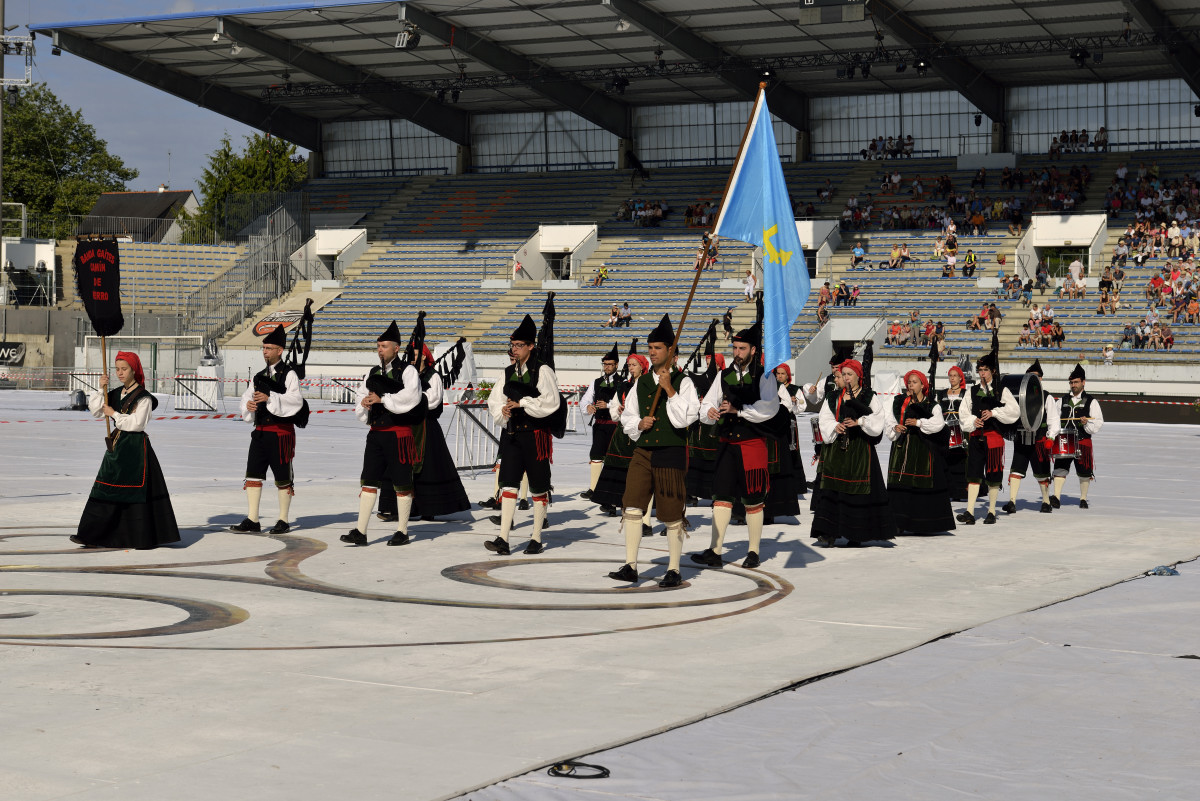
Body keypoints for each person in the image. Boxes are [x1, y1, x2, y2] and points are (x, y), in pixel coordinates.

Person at [608, 315, 700, 587]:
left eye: (658, 348)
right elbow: (628, 416)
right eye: (650, 348)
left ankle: (674, 569)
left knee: (671, 513)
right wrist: (639, 423)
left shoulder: (684, 382)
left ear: (671, 351)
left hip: (671, 452)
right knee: (632, 505)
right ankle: (630, 565)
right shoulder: (641, 382)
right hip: (643, 451)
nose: (652, 352)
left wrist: (669, 389)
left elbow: (686, 419)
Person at [690, 322, 779, 570]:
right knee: (721, 496)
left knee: (753, 498)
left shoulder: (764, 376)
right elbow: (707, 404)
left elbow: (769, 408)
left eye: (742, 348)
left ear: (753, 350)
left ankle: (753, 552)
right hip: (726, 444)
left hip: (752, 444)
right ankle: (715, 551)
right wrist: (709, 412)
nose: (737, 353)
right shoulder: (724, 375)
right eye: (735, 348)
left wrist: (739, 410)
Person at [73, 351, 181, 549]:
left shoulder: (143, 397)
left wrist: (114, 414)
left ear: (134, 370)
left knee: (134, 492)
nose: (120, 373)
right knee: (105, 488)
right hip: (116, 448)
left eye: (124, 369)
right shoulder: (115, 393)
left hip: (135, 450)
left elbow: (137, 424)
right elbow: (96, 411)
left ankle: (138, 537)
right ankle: (91, 534)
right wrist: (101, 389)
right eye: (117, 369)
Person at [341, 321, 426, 548]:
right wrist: (364, 402)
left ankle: (402, 531)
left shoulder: (407, 371)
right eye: (378, 346)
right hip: (376, 434)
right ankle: (360, 531)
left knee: (402, 484)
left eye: (384, 346)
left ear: (396, 348)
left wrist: (384, 399)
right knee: (368, 482)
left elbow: (412, 397)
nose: (380, 350)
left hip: (399, 435)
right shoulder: (373, 372)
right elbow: (361, 394)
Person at [484, 314, 562, 555]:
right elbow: (494, 400)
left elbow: (551, 402)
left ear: (530, 346)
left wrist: (523, 403)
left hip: (536, 436)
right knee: (508, 484)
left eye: (519, 345)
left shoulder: (543, 370)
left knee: (538, 487)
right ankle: (503, 538)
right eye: (513, 345)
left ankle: (536, 537)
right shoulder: (508, 372)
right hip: (512, 435)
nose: (515, 349)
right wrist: (503, 410)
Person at [379, 340, 472, 524]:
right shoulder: (405, 373)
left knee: (428, 469)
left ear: (423, 356)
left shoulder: (432, 375)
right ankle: (396, 508)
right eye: (410, 355)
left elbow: (434, 400)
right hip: (406, 425)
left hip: (426, 427)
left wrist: (411, 398)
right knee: (400, 465)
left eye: (415, 355)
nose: (412, 358)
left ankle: (429, 508)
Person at [810, 359, 896, 548]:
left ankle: (855, 533)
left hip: (860, 450)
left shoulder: (868, 396)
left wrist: (860, 422)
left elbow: (878, 418)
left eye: (850, 374)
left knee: (857, 490)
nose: (846, 377)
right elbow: (824, 418)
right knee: (833, 490)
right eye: (844, 374)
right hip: (836, 450)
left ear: (858, 376)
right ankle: (828, 532)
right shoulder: (833, 396)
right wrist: (835, 425)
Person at [231, 324, 305, 535]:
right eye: (263, 348)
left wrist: (270, 398)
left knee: (283, 478)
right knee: (253, 475)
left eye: (269, 348)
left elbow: (295, 400)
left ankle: (283, 520)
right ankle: (253, 519)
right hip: (260, 432)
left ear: (280, 351)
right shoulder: (258, 376)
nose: (265, 352)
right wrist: (248, 406)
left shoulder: (289, 374)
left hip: (281, 433)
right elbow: (247, 396)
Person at [883, 370, 956, 535]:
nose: (911, 385)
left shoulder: (931, 404)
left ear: (923, 385)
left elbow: (938, 424)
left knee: (920, 485)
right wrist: (895, 427)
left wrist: (918, 423)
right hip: (902, 448)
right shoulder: (899, 402)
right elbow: (890, 420)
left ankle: (922, 524)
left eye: (914, 382)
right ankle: (897, 522)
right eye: (909, 382)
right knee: (901, 485)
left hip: (923, 448)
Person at [957, 348, 1019, 525]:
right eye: (980, 370)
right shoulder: (972, 390)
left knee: (993, 475)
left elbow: (1014, 411)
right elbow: (963, 413)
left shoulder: (1001, 390)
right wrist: (973, 421)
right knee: (974, 475)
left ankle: (991, 511)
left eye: (985, 370)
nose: (982, 373)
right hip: (976, 438)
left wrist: (994, 413)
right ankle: (970, 512)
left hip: (994, 438)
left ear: (993, 371)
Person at [1003, 359, 1060, 516]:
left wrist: (1051, 438)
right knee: (1016, 470)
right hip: (1021, 439)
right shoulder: (1018, 396)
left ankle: (1046, 502)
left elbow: (1054, 420)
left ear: (1040, 378)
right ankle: (1012, 502)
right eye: (1029, 376)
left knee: (1042, 473)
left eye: (1036, 376)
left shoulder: (1046, 397)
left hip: (1039, 440)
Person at [1051, 364, 1103, 509]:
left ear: (1083, 382)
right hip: (1065, 441)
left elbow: (1098, 422)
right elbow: (1053, 419)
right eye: (1071, 383)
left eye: (1076, 382)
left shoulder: (1091, 401)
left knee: (1084, 471)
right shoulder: (1062, 401)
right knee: (1060, 468)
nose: (1073, 385)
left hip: (1082, 440)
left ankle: (1083, 499)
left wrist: (1087, 423)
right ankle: (1056, 497)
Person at [580, 343, 625, 501]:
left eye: (609, 364)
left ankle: (612, 488)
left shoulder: (623, 381)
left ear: (616, 365)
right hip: (599, 424)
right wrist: (588, 407)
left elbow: (625, 403)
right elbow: (584, 400)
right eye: (605, 364)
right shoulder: (596, 382)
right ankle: (593, 488)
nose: (606, 367)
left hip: (616, 426)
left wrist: (608, 405)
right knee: (596, 454)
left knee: (613, 457)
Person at [934, 364, 969, 502]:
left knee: (960, 461)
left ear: (960, 378)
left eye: (955, 376)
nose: (952, 378)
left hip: (960, 430)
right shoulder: (942, 393)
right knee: (946, 459)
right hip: (945, 430)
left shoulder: (966, 393)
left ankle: (961, 491)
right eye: (950, 375)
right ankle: (947, 490)